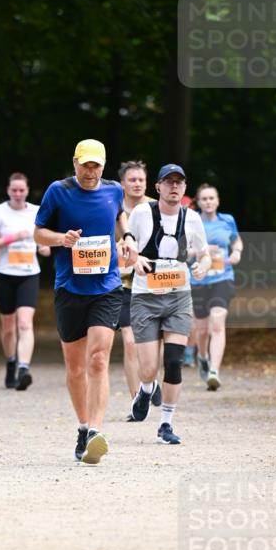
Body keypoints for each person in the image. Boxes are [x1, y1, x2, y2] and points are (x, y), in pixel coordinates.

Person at [34, 138, 137, 464]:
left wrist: (128, 237)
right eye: (85, 165)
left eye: (96, 165)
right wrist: (60, 239)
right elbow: (38, 232)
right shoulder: (58, 191)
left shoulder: (113, 190)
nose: (90, 171)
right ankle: (82, 426)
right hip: (69, 288)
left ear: (103, 167)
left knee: (98, 359)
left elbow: (121, 217)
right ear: (75, 163)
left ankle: (95, 431)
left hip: (106, 287)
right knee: (76, 367)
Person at [128, 164, 211, 444]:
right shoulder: (141, 214)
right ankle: (146, 387)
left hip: (178, 297)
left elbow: (205, 253)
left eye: (179, 182)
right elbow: (126, 247)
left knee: (173, 362)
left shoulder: (192, 219)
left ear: (185, 188)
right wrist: (135, 260)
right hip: (145, 298)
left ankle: (166, 424)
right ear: (158, 187)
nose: (174, 186)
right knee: (150, 367)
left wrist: (203, 266)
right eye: (168, 181)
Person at [0, 172, 50, 390]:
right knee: (8, 327)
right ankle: (11, 362)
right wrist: (13, 238)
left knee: (24, 323)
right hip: (4, 273)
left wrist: (44, 247)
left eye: (21, 190)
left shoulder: (35, 211)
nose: (18, 194)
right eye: (14, 190)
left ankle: (24, 368)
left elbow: (45, 239)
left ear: (27, 190)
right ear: (8, 191)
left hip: (28, 273)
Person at [116, 161, 162, 419]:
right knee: (131, 342)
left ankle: (150, 379)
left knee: (156, 342)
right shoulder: (114, 209)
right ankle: (137, 402)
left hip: (154, 282)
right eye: (132, 180)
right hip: (123, 284)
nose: (136, 183)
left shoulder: (157, 207)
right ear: (123, 184)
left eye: (140, 180)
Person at [191, 183, 243, 390]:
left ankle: (214, 371)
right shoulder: (191, 220)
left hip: (222, 278)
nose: (208, 202)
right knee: (201, 331)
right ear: (198, 202)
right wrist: (200, 251)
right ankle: (202, 357)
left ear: (218, 201)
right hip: (197, 280)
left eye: (211, 198)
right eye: (204, 199)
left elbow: (236, 241)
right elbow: (181, 250)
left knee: (217, 324)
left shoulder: (227, 220)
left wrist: (236, 252)